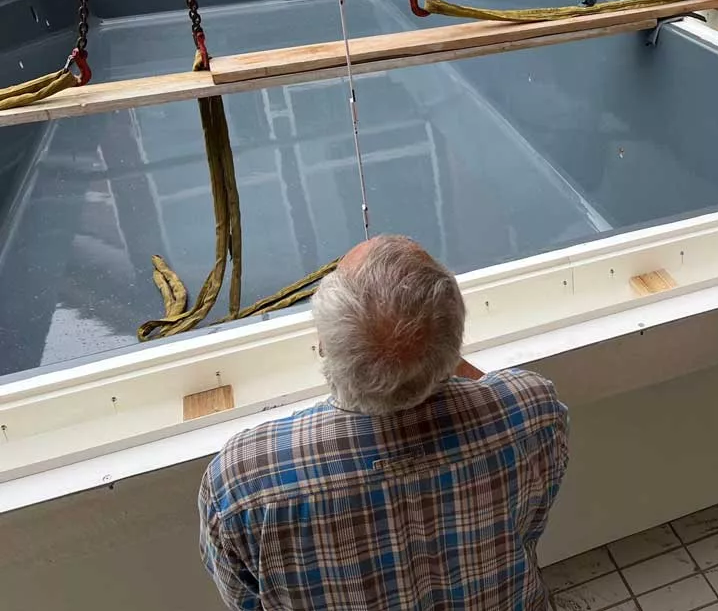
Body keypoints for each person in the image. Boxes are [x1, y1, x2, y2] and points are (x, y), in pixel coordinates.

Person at [199, 235, 569, 610]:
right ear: (455, 339)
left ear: (324, 346)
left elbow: (246, 602)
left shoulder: (243, 483)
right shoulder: (533, 411)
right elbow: (530, 527)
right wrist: (431, 353)